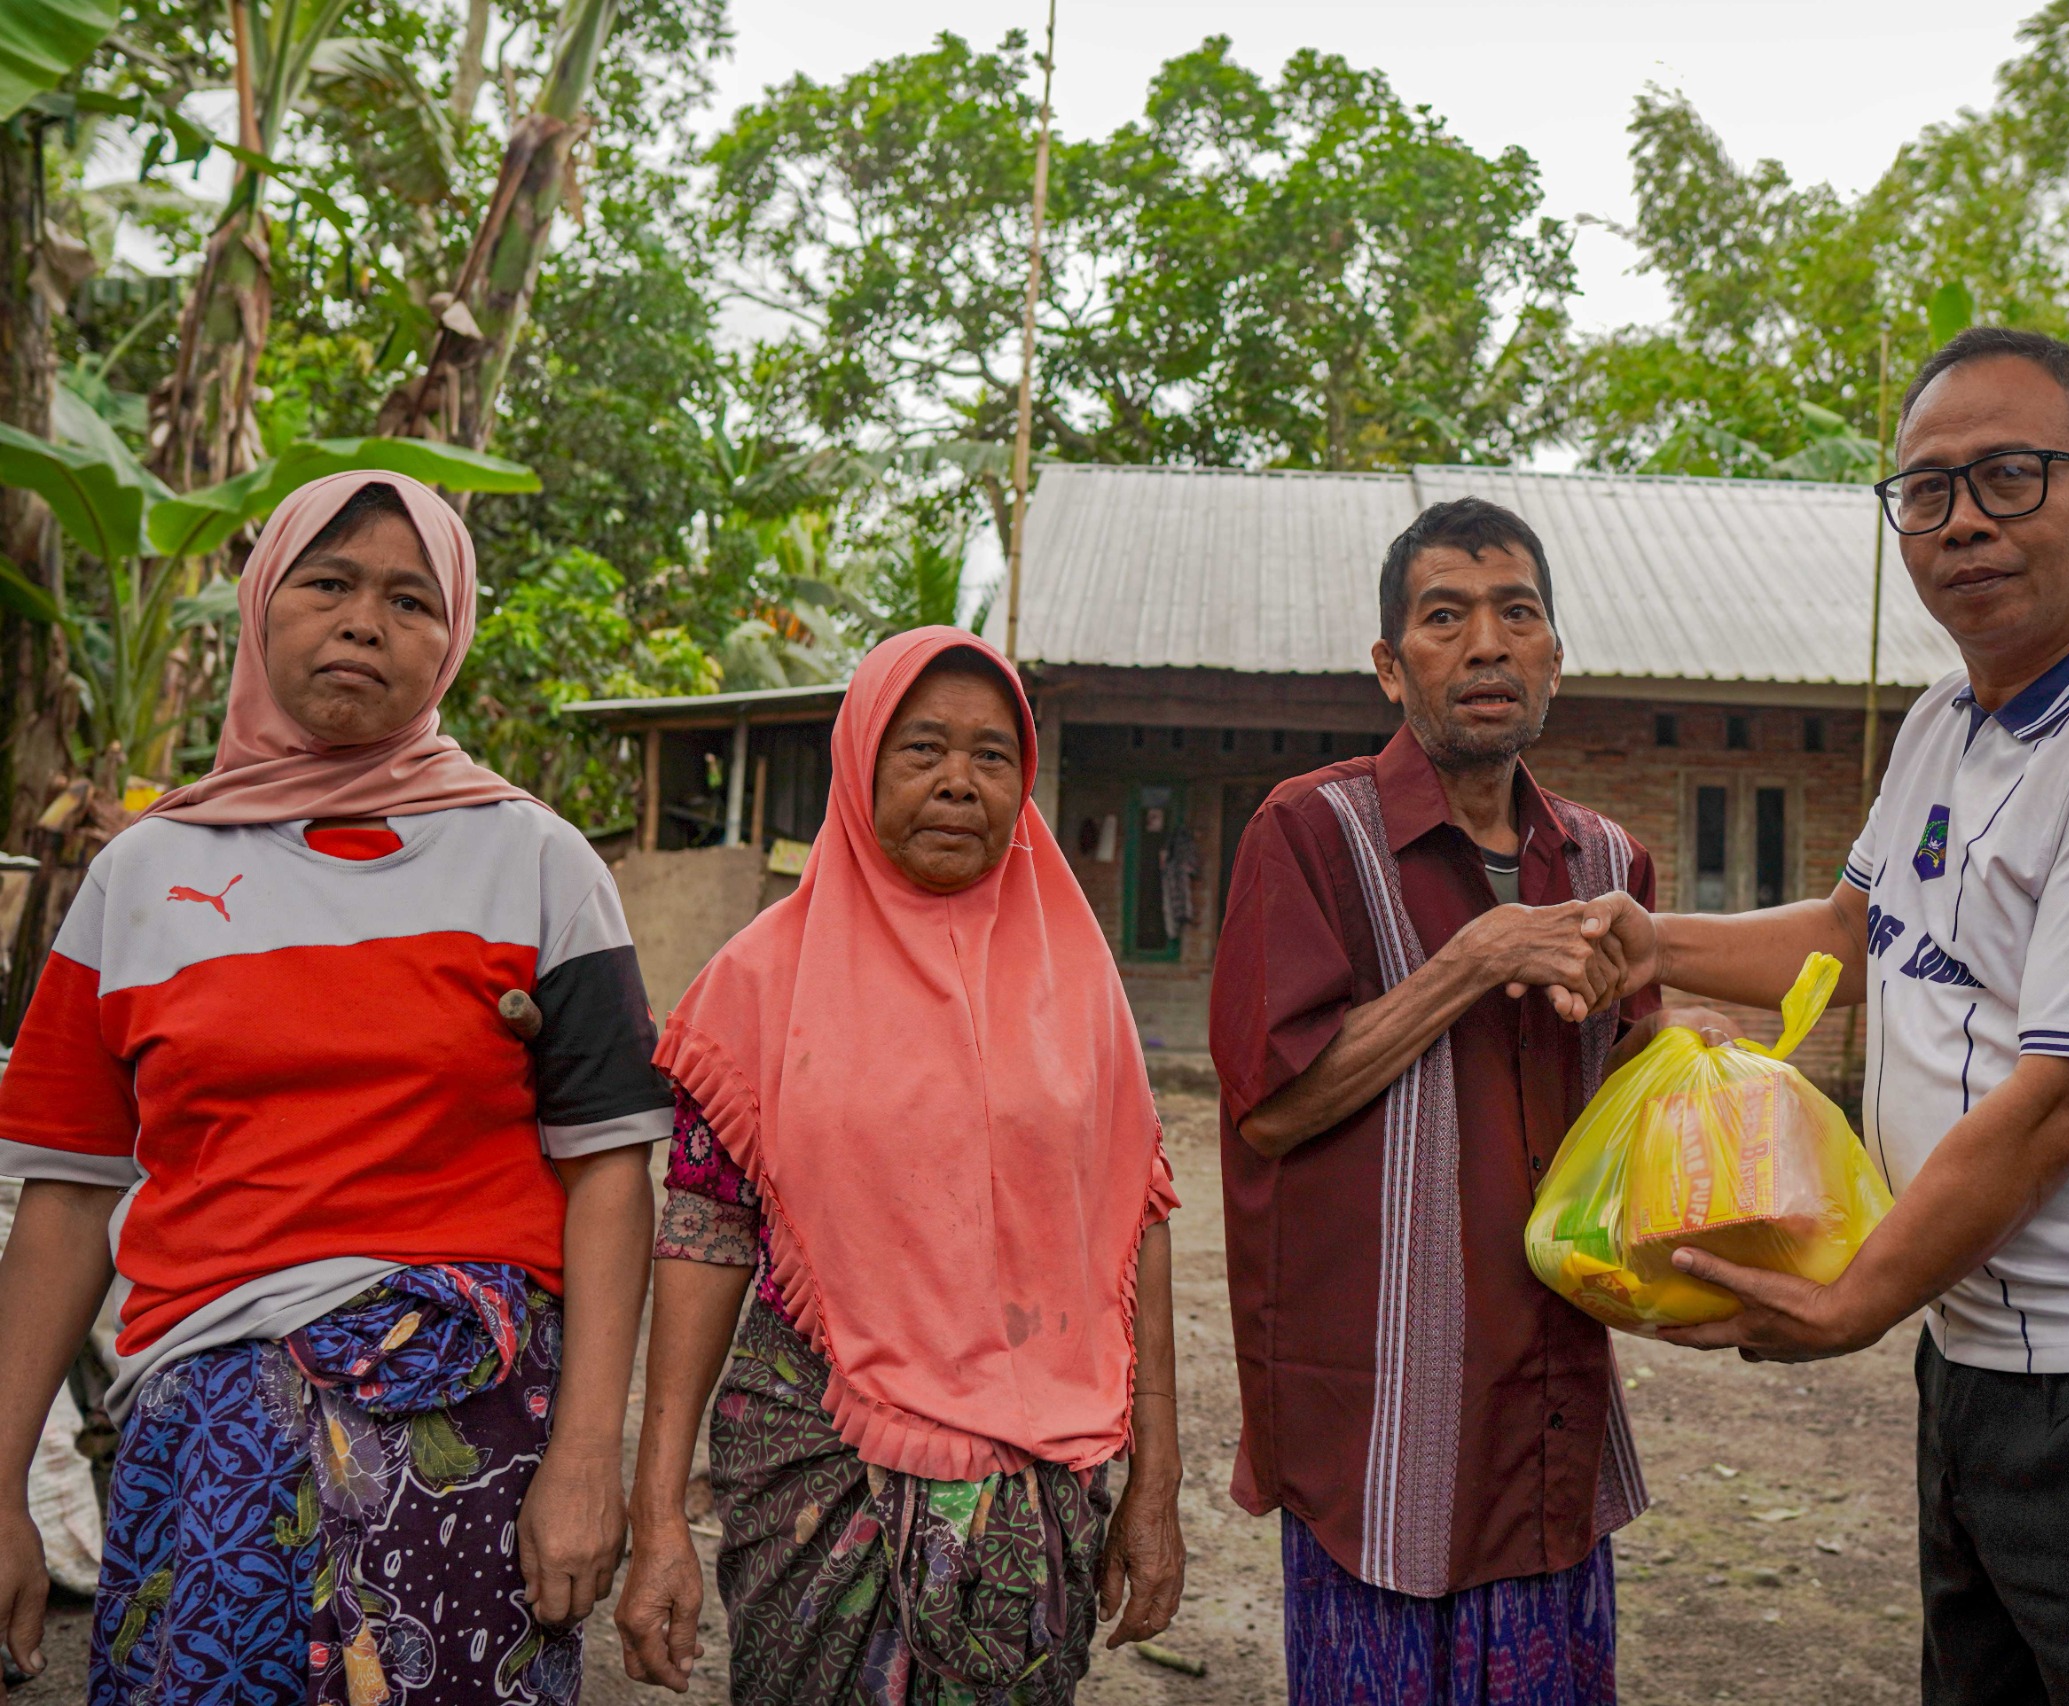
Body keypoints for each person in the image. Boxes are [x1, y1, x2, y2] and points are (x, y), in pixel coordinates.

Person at [1591, 328, 2069, 1705]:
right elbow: (1851, 935)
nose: (1964, 522)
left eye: (2008, 475)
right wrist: (1656, 941)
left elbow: (2068, 1095)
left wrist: (1854, 1296)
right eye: (1926, 492)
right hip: (1982, 1347)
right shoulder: (1946, 721)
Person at [0, 471, 668, 1705]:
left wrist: (588, 1455)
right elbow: (69, 1194)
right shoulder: (141, 877)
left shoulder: (534, 860)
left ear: (451, 638)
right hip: (202, 1434)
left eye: (411, 598)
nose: (364, 620)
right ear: (264, 606)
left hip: (466, 1432)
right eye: (329, 582)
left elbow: (611, 1176)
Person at [614, 627, 1185, 1705]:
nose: (959, 784)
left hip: (1039, 1466)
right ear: (861, 760)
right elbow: (701, 1238)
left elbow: (1133, 1220)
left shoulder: (1078, 979)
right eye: (922, 748)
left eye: (991, 755)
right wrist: (656, 1518)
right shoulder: (759, 981)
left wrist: (1157, 1477)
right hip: (817, 1472)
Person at [1211, 499, 1656, 1706]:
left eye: (1518, 613)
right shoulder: (1311, 831)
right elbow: (1271, 1110)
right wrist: (1471, 960)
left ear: (1555, 654)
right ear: (1389, 664)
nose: (1486, 645)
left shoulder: (1610, 867)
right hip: (1381, 1427)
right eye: (1444, 616)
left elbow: (1637, 1127)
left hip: (1550, 1408)